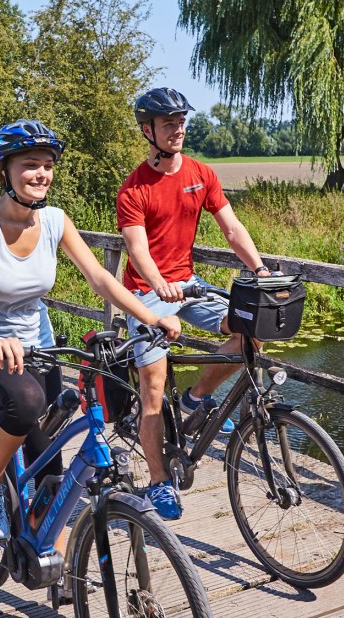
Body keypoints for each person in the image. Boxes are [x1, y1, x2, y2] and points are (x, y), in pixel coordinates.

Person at [0, 119, 181, 548]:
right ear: (3, 170)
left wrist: (151, 318)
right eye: (29, 165)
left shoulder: (56, 221)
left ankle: (52, 558)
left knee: (49, 454)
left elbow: (99, 276)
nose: (41, 173)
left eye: (47, 165)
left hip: (37, 343)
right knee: (25, 403)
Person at [116, 87, 273, 521]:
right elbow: (137, 249)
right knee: (151, 390)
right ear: (148, 130)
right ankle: (158, 482)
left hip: (188, 285)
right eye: (168, 123)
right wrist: (157, 285)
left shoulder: (202, 174)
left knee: (252, 329)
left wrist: (259, 270)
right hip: (149, 293)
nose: (178, 129)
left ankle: (194, 398)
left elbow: (232, 228)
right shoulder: (134, 188)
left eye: (181, 121)